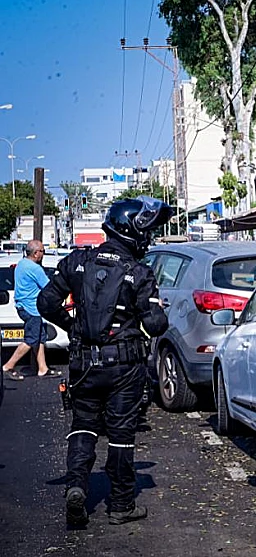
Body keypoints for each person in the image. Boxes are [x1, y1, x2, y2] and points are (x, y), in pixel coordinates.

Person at [38, 196, 172, 527]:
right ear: (132, 231)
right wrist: (156, 309)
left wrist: (73, 327)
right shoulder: (138, 272)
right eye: (146, 232)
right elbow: (156, 324)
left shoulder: (77, 261)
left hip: (84, 363)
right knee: (121, 433)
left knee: (83, 425)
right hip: (124, 367)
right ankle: (121, 505)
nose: (148, 238)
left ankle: (76, 487)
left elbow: (46, 302)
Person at [1, 239, 61, 381]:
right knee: (31, 339)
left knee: (40, 337)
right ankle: (8, 366)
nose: (43, 254)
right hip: (31, 308)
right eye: (42, 251)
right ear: (36, 253)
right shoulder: (35, 269)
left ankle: (42, 368)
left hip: (24, 306)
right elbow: (48, 287)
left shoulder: (21, 264)